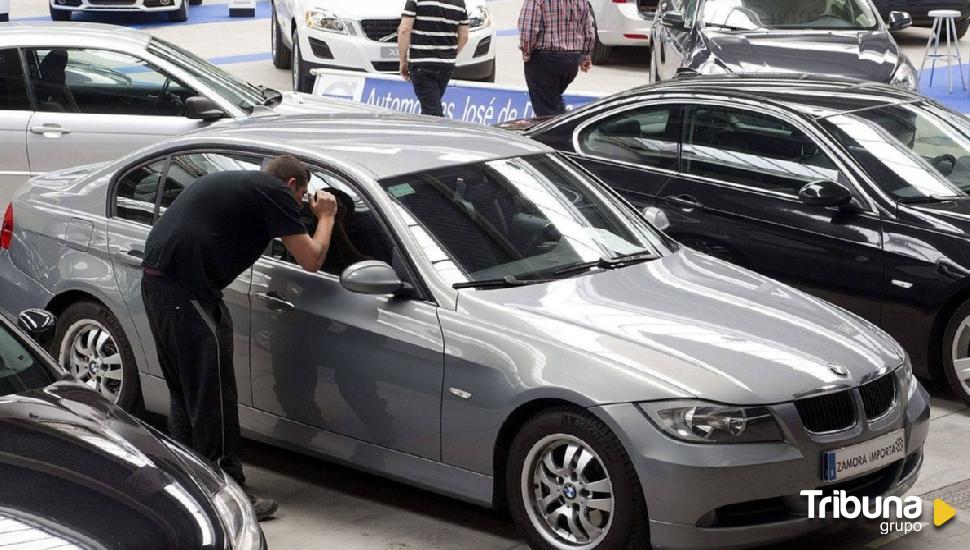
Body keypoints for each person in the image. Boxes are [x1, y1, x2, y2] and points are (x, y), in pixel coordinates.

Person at [140, 155, 337, 520]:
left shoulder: (245, 184)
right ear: (292, 185)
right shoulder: (275, 191)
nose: (300, 204)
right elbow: (311, 259)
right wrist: (325, 216)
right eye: (302, 196)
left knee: (188, 396)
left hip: (162, 288)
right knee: (213, 396)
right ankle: (224, 495)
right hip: (187, 293)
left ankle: (187, 487)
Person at [518, 0, 595, 117]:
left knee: (547, 111)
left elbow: (528, 29)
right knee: (553, 101)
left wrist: (526, 53)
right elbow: (588, 29)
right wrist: (585, 55)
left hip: (545, 58)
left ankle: (558, 132)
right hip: (571, 59)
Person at [398, 0, 470, 117]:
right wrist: (450, 55)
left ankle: (440, 133)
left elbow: (404, 30)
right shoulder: (459, 3)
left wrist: (402, 60)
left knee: (433, 114)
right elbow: (465, 36)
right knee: (430, 108)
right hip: (446, 66)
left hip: (422, 64)